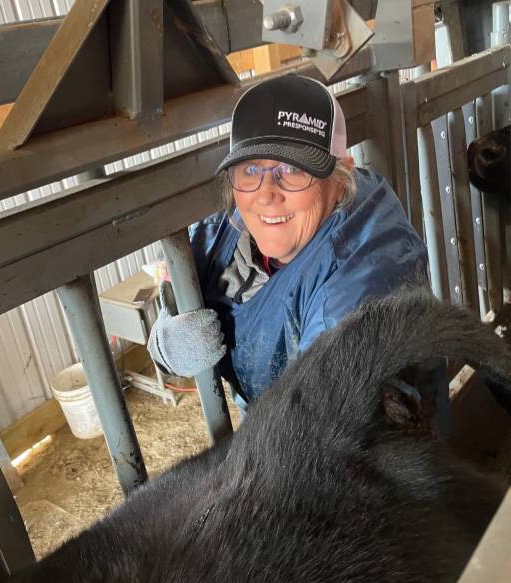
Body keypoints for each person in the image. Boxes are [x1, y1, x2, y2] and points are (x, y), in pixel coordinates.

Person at [148, 74, 434, 417]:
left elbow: (327, 437)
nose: (267, 193)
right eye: (251, 168)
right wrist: (167, 346)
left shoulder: (355, 294)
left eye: (293, 169)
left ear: (342, 176)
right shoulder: (229, 226)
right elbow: (175, 298)